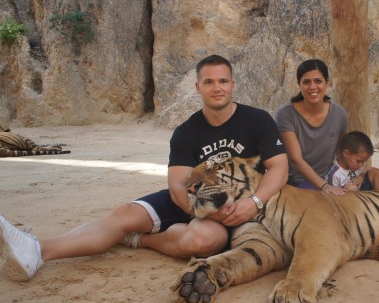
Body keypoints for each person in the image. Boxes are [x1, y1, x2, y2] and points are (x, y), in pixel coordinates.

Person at [0, 54, 288, 282]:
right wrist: (199, 210)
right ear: (198, 87)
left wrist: (254, 202)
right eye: (210, 82)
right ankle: (37, 250)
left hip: (236, 207)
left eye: (223, 81)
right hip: (192, 201)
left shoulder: (256, 120)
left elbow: (279, 168)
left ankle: (143, 239)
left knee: (205, 239)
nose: (217, 88)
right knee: (124, 214)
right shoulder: (187, 131)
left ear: (233, 85)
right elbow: (177, 185)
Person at [275, 59, 348, 195]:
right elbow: (296, 160)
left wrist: (350, 178)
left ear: (327, 83)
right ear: (299, 85)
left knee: (372, 176)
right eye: (306, 82)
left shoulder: (339, 114)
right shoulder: (286, 114)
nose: (312, 86)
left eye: (318, 81)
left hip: (330, 178)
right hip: (298, 181)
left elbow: (341, 152)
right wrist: (324, 186)